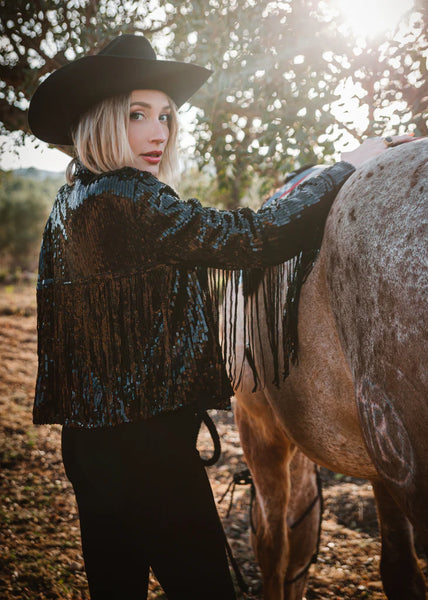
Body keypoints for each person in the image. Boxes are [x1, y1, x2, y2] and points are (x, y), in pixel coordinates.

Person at [28, 34, 413, 600]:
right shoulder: (133, 197)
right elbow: (252, 237)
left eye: (165, 115)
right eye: (138, 114)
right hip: (149, 449)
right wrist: (345, 167)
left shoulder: (70, 203)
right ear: (104, 120)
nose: (158, 132)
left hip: (86, 448)